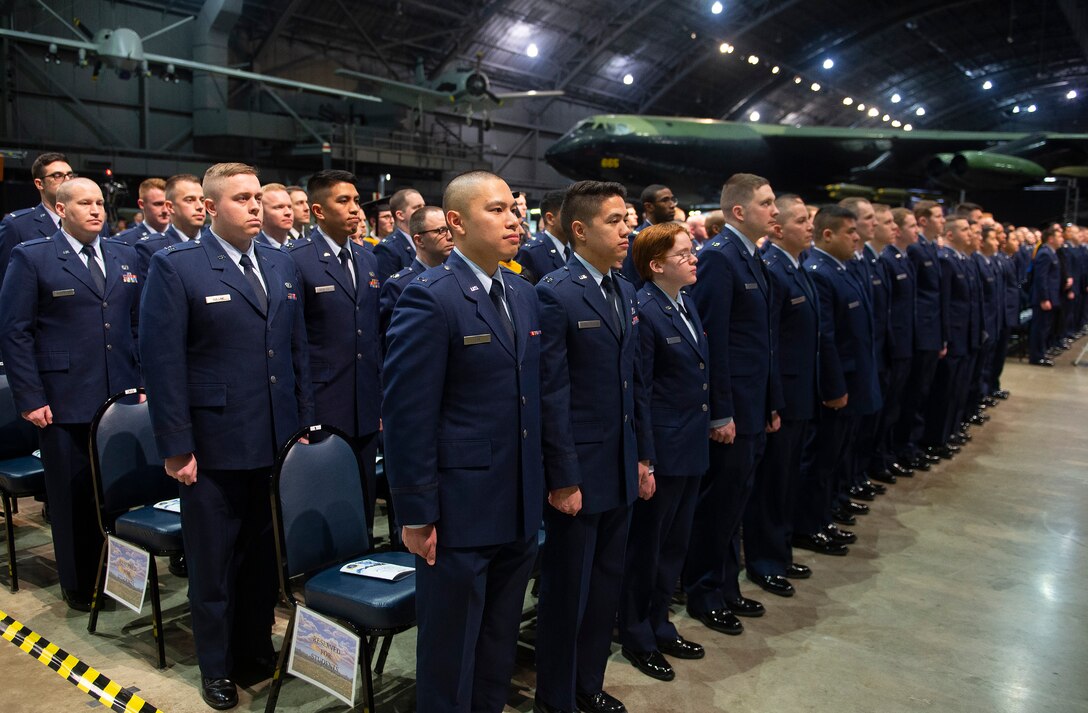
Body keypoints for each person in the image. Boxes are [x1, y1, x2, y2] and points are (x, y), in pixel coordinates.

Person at [140, 163, 313, 710]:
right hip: (212, 445)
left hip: (274, 438)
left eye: (259, 196)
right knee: (213, 566)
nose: (256, 207)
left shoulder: (281, 263)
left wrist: (303, 426)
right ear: (211, 208)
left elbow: (296, 352)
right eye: (242, 199)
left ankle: (254, 647)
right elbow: (162, 363)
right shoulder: (178, 267)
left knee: (265, 559)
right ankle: (216, 665)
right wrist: (176, 446)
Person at [383, 170, 543, 713]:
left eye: (513, 210)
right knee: (451, 648)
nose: (512, 220)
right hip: (459, 506)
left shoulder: (521, 292)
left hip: (516, 498)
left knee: (499, 640)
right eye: (496, 210)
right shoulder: (429, 298)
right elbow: (408, 415)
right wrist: (417, 512)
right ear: (455, 222)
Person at [535, 180, 651, 713]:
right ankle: (556, 697)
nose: (628, 229)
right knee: (568, 594)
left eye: (628, 219)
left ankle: (588, 683)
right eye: (615, 221)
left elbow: (635, 383)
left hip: (620, 463)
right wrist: (562, 477)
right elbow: (552, 393)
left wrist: (643, 455)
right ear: (579, 230)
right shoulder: (555, 293)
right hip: (578, 472)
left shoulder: (624, 289)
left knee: (605, 586)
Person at [0, 178, 142, 610]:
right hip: (62, 400)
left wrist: (143, 383)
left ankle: (119, 576)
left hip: (121, 396)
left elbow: (137, 325)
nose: (96, 210)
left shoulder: (124, 254)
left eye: (100, 202)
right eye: (85, 203)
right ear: (61, 210)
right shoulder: (33, 257)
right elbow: (14, 331)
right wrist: (29, 396)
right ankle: (80, 585)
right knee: (72, 497)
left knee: (119, 492)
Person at [683, 173, 779, 637]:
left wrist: (769, 403)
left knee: (736, 500)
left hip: (753, 404)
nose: (775, 211)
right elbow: (712, 341)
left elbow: (761, 341)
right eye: (767, 203)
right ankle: (703, 590)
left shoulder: (751, 256)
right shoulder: (720, 259)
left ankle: (725, 583)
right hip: (731, 410)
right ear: (739, 211)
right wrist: (719, 410)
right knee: (719, 504)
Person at [617, 222, 708, 682]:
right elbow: (642, 392)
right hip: (664, 450)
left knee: (673, 548)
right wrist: (645, 458)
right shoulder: (644, 309)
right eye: (685, 254)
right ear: (656, 265)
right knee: (647, 550)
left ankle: (660, 622)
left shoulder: (683, 303)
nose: (695, 259)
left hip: (689, 444)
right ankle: (637, 633)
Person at [288, 170, 382, 539]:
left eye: (356, 200)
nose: (355, 209)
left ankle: (359, 556)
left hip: (363, 400)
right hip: (323, 400)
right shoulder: (296, 259)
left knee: (362, 497)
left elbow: (372, 337)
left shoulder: (367, 259)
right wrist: (304, 416)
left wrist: (377, 403)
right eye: (343, 201)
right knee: (323, 499)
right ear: (318, 210)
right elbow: (295, 344)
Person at [794, 205, 881, 556]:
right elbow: (825, 337)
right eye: (849, 232)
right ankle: (808, 525)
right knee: (820, 460)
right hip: (836, 384)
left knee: (834, 457)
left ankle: (823, 516)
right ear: (827, 235)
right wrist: (835, 387)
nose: (857, 237)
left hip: (852, 378)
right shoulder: (820, 271)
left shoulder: (839, 268)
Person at [744, 197, 819, 597]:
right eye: (801, 220)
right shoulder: (774, 268)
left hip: (796, 390)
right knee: (772, 483)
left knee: (787, 477)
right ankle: (765, 557)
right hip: (781, 393)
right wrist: (773, 396)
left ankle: (781, 549)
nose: (810, 226)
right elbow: (768, 341)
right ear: (779, 230)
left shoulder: (795, 266)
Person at [899, 200, 947, 468]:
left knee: (923, 391)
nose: (943, 221)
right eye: (938, 216)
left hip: (932, 328)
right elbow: (915, 297)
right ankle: (907, 445)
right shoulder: (916, 250)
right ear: (924, 220)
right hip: (921, 331)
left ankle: (914, 443)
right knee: (914, 393)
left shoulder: (929, 247)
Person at [378, 205, 453, 351]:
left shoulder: (455, 278)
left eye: (449, 229)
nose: (450, 236)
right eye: (440, 231)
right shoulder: (399, 286)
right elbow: (392, 346)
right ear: (419, 240)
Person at [0, 152, 77, 285]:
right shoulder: (17, 226)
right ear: (39, 183)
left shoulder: (89, 223)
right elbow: (6, 282)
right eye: (57, 176)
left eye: (70, 175)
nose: (67, 180)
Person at [132, 174, 205, 280]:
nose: (200, 206)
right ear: (170, 207)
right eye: (189, 200)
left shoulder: (217, 241)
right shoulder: (151, 248)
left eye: (202, 200)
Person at [517, 188, 570, 284]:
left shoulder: (574, 250)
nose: (576, 220)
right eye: (569, 214)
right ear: (550, 218)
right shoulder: (531, 253)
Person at [374, 188, 425, 282]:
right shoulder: (388, 249)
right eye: (417, 207)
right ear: (400, 215)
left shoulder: (426, 241)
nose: (424, 211)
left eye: (423, 206)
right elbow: (388, 291)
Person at [1028, 225, 1062, 366]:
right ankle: (1036, 356)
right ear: (1050, 238)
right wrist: (1044, 298)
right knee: (1040, 328)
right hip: (1044, 298)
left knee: (1046, 327)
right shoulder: (1044, 253)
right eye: (1059, 236)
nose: (1062, 239)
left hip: (1051, 296)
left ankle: (1041, 351)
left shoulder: (1052, 252)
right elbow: (1041, 278)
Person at [113, 178, 171, 245]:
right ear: (141, 204)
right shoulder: (122, 241)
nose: (165, 210)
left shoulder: (183, 238)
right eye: (158, 204)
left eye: (168, 204)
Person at [257, 183, 296, 248]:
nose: (288, 212)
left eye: (289, 207)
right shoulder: (253, 250)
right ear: (261, 212)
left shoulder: (300, 248)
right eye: (279, 207)